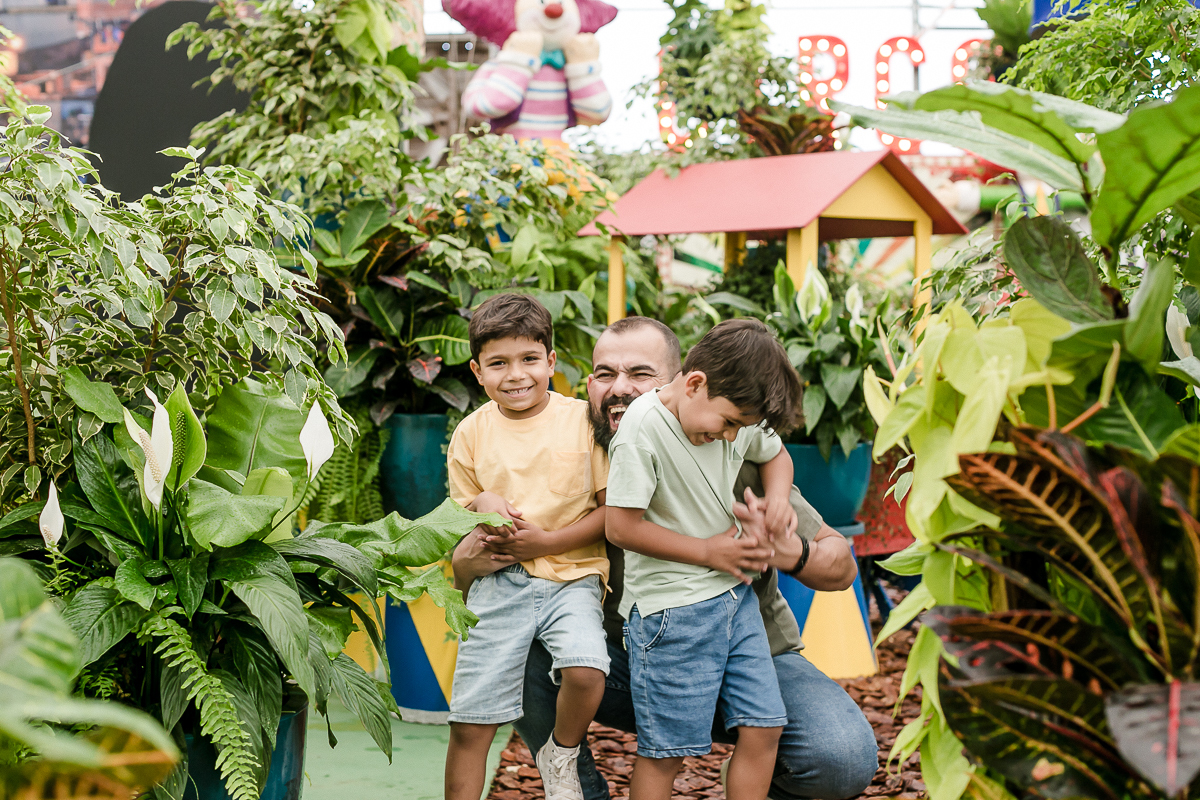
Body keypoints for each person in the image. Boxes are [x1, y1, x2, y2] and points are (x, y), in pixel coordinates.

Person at [453, 316, 879, 800]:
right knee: (521, 643)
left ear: (679, 382)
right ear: (587, 386)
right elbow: (472, 579)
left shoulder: (725, 440)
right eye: (605, 374)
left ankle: (755, 776)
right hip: (626, 657)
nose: (619, 388)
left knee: (840, 756)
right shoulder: (566, 460)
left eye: (639, 374)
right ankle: (576, 786)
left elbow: (840, 564)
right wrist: (468, 564)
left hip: (747, 647)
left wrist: (788, 548)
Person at [603, 318, 802, 800]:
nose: (733, 437)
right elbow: (620, 527)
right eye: (729, 424)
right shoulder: (641, 430)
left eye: (741, 428)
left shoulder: (730, 413)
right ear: (694, 384)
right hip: (671, 612)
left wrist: (778, 500)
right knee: (665, 753)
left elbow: (776, 456)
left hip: (736, 601)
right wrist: (708, 551)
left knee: (764, 728)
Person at [443, 293, 610, 800]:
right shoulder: (471, 433)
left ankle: (561, 754)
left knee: (587, 670)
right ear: (477, 371)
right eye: (498, 363)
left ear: (551, 361)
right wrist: (482, 503)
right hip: (498, 583)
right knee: (471, 722)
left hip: (573, 577)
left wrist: (548, 541)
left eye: (529, 359)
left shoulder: (583, 421)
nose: (516, 375)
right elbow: (459, 517)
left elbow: (611, 513)